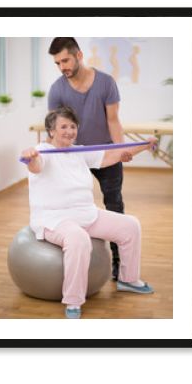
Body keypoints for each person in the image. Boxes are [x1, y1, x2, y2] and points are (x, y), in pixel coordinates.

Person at [21, 106, 156, 319]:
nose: (69, 130)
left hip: (85, 213)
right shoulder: (42, 151)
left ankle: (128, 279)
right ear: (51, 131)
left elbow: (112, 155)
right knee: (78, 239)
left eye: (73, 126)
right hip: (55, 218)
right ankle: (73, 300)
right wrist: (29, 158)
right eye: (63, 126)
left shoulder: (78, 151)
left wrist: (145, 146)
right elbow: (36, 166)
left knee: (131, 225)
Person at [47, 37, 127, 281]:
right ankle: (65, 256)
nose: (62, 67)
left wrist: (120, 151)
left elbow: (113, 120)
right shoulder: (57, 89)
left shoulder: (105, 83)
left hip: (104, 153)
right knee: (68, 204)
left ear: (79, 55)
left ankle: (118, 263)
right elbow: (54, 129)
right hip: (73, 158)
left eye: (66, 60)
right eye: (57, 63)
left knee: (114, 205)